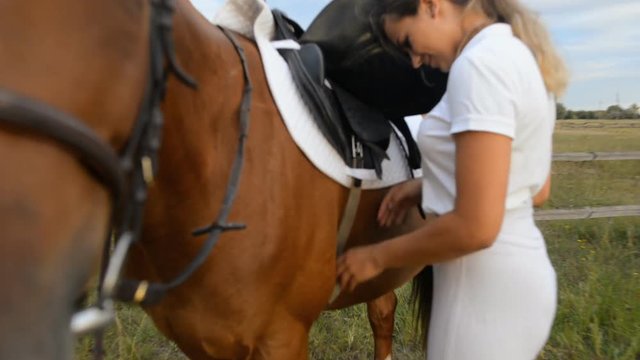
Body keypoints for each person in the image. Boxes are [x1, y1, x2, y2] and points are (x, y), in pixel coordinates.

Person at [335, 0, 568, 358]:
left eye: (408, 41)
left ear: (431, 7)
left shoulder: (478, 67)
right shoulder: (517, 53)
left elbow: (476, 228)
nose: (413, 60)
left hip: (479, 295)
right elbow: (534, 189)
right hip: (514, 282)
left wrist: (376, 257)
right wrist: (427, 186)